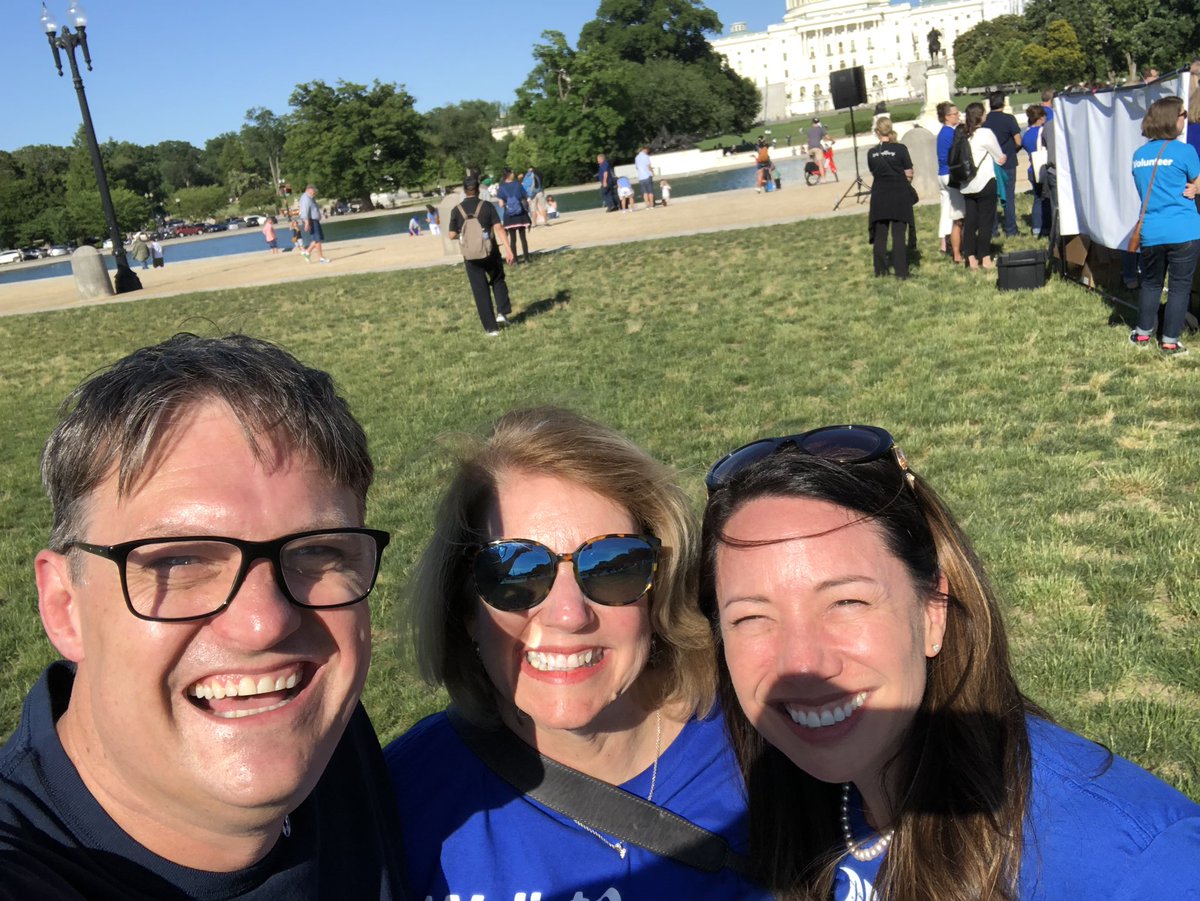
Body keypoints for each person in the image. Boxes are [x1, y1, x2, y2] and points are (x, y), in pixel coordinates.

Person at [698, 425, 1200, 901]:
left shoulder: (1137, 864)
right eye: (752, 617)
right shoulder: (776, 791)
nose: (802, 661)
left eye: (847, 602)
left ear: (932, 610)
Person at [0, 333, 405, 898]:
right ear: (65, 607)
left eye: (316, 551)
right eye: (181, 560)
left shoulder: (320, 726)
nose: (266, 624)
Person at [386, 407, 768, 901]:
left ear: (660, 590)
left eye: (613, 566)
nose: (568, 614)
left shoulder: (761, 746)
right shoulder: (402, 800)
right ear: (465, 607)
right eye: (515, 574)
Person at [1129, 95, 1200, 356]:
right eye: (1183, 114)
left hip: (1151, 229)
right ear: (1174, 119)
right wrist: (1194, 187)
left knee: (1151, 283)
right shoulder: (1185, 151)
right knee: (1180, 286)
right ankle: (1170, 341)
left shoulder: (1139, 155)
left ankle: (1142, 335)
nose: (1185, 118)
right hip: (1184, 229)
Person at [448, 173, 515, 337]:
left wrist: (464, 236)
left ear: (464, 191)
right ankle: (502, 312)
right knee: (498, 279)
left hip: (470, 255)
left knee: (480, 290)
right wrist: (509, 249)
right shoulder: (487, 206)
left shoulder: (457, 210)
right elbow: (499, 228)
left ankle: (491, 329)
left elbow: (451, 234)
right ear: (478, 190)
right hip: (490, 251)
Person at [959, 102, 1006, 270]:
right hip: (985, 181)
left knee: (970, 221)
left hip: (966, 184)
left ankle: (970, 258)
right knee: (986, 221)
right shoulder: (985, 133)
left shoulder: (963, 134)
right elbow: (999, 156)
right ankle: (985, 258)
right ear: (980, 116)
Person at [866, 118, 915, 279]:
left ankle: (880, 270)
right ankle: (901, 271)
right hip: (899, 192)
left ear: (877, 132)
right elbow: (909, 172)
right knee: (899, 234)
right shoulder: (900, 149)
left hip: (880, 193)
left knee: (880, 234)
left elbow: (874, 172)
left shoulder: (872, 153)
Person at [984, 92, 1022, 237]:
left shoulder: (986, 121)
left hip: (991, 164)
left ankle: (993, 230)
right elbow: (1018, 141)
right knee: (1009, 197)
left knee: (992, 199)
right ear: (1004, 103)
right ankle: (1011, 229)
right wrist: (1012, 151)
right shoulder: (1009, 119)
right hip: (1008, 162)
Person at [935, 101, 965, 262]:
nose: (958, 116)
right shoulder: (950, 133)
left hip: (941, 174)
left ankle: (943, 242)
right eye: (955, 114)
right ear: (947, 117)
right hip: (950, 175)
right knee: (956, 212)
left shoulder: (942, 133)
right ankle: (955, 244)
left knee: (945, 208)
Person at [1022, 104, 1050, 238]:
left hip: (1032, 168)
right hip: (1043, 167)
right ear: (1040, 118)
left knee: (1037, 199)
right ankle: (1046, 227)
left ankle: (1036, 228)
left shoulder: (1026, 134)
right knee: (1046, 199)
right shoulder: (1043, 131)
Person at [497, 167, 532, 262]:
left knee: (513, 239)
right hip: (520, 214)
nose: (514, 174)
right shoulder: (518, 184)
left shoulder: (502, 187)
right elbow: (526, 197)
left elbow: (500, 204)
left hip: (509, 216)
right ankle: (526, 259)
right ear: (509, 174)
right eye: (512, 172)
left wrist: (507, 203)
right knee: (523, 238)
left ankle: (515, 260)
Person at [298, 184, 329, 263]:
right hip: (311, 221)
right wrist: (306, 223)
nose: (315, 193)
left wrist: (320, 215)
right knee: (317, 239)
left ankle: (307, 252)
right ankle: (321, 258)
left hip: (314, 220)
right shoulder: (305, 199)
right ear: (309, 190)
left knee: (317, 238)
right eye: (314, 192)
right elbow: (304, 212)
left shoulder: (310, 198)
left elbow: (314, 209)